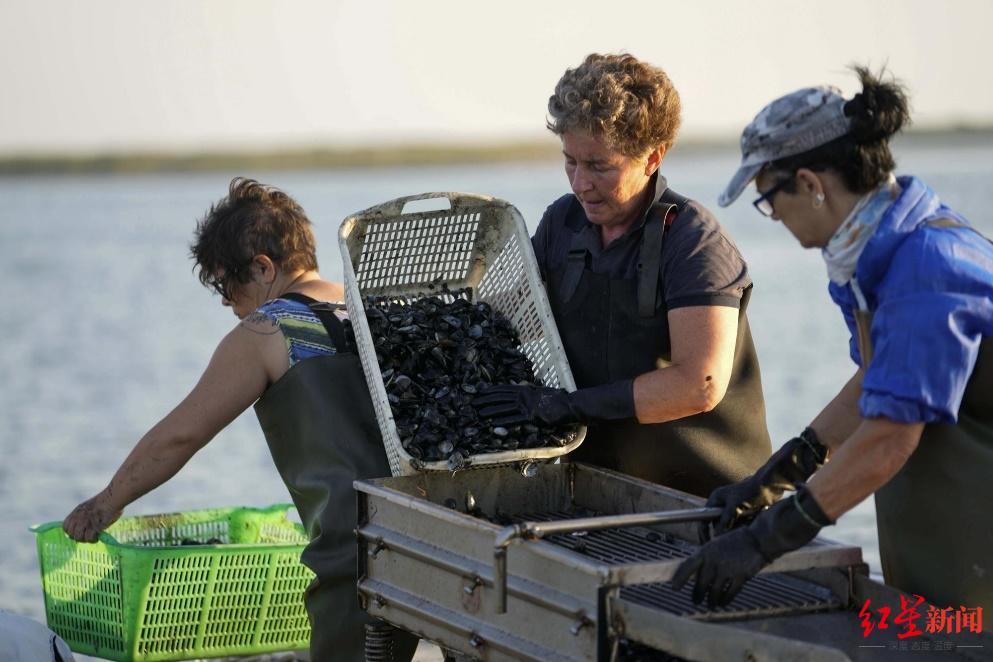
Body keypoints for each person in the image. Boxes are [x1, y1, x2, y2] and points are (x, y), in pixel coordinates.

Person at [672, 67, 993, 616]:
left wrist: (765, 539)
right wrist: (782, 471)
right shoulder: (877, 254)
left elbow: (891, 435)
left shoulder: (926, 269)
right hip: (946, 543)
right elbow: (880, 379)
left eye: (769, 199)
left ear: (812, 184)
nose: (773, 217)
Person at [62, 178, 418, 661]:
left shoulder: (267, 329)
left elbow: (181, 436)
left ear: (263, 268)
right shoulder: (372, 307)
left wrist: (106, 504)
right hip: (432, 533)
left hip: (353, 552)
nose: (227, 303)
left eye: (225, 285)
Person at [475, 53, 772, 497]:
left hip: (711, 496)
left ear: (652, 157)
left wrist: (570, 407)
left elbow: (699, 384)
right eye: (570, 161)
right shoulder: (563, 222)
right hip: (601, 485)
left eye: (599, 166)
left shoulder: (693, 242)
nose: (579, 183)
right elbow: (516, 317)